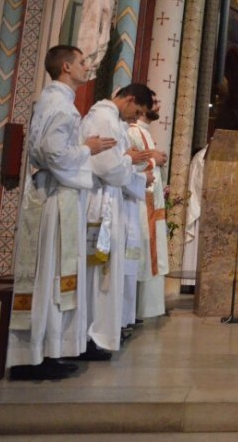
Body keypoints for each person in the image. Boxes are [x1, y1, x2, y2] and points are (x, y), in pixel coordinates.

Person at [8, 46, 113, 381]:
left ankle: (43, 351)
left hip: (51, 195)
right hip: (56, 199)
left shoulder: (53, 102)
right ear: (66, 67)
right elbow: (53, 154)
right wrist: (87, 148)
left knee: (48, 275)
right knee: (50, 274)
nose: (87, 67)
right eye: (82, 62)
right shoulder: (61, 106)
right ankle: (35, 357)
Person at [81, 83, 152, 357]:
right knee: (98, 276)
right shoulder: (104, 118)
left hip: (109, 200)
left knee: (103, 275)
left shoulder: (111, 119)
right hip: (101, 204)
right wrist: (130, 163)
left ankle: (95, 335)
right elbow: (107, 167)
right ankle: (91, 335)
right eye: (137, 111)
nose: (136, 118)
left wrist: (130, 166)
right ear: (130, 99)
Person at [127, 95, 168, 321]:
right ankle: (133, 310)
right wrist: (155, 160)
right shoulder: (133, 131)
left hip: (151, 203)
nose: (158, 105)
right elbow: (131, 162)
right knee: (141, 256)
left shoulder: (144, 132)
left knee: (150, 257)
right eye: (154, 101)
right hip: (141, 203)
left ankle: (144, 308)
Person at [181, 145, 208, 291]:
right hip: (199, 206)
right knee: (195, 246)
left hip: (209, 207)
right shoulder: (202, 156)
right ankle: (191, 283)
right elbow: (200, 182)